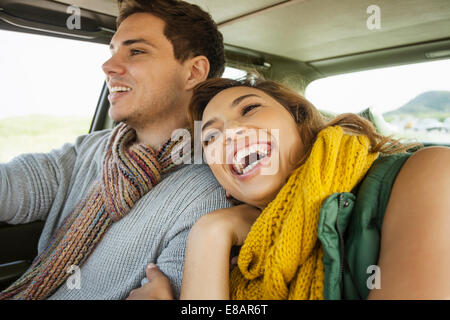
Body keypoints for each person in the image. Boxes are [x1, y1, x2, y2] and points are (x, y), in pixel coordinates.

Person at [132, 76, 450, 300]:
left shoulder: (428, 174)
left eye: (249, 109)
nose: (230, 134)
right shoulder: (238, 260)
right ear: (225, 186)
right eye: (211, 137)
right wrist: (210, 233)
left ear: (301, 123)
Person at [0, 0, 230, 300]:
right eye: (112, 52)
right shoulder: (92, 148)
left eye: (136, 51)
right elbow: (11, 185)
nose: (108, 66)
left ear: (193, 72)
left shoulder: (211, 190)